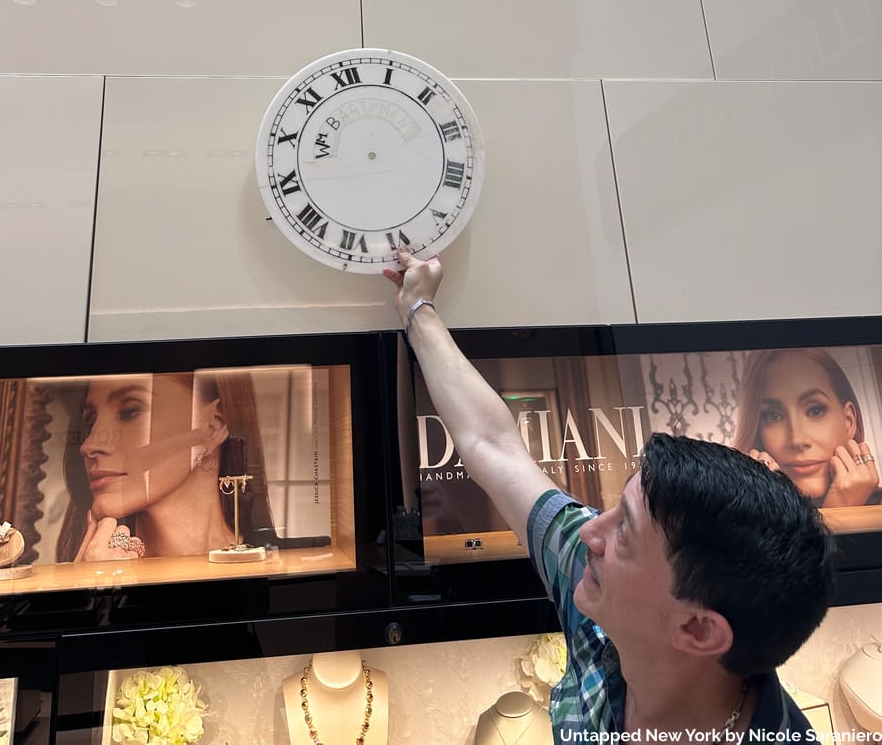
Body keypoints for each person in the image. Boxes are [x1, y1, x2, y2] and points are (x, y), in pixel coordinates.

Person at [384, 249, 835, 742]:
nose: (591, 529)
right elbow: (494, 446)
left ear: (698, 630)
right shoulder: (604, 621)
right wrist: (417, 308)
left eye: (625, 532)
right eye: (618, 509)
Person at [56, 369, 274, 562]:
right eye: (90, 421)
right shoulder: (81, 567)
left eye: (130, 411)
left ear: (214, 425)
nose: (88, 445)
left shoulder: (288, 562)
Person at [732, 347, 881, 508]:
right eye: (773, 416)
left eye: (815, 411)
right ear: (756, 431)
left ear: (849, 421)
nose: (797, 440)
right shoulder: (728, 520)